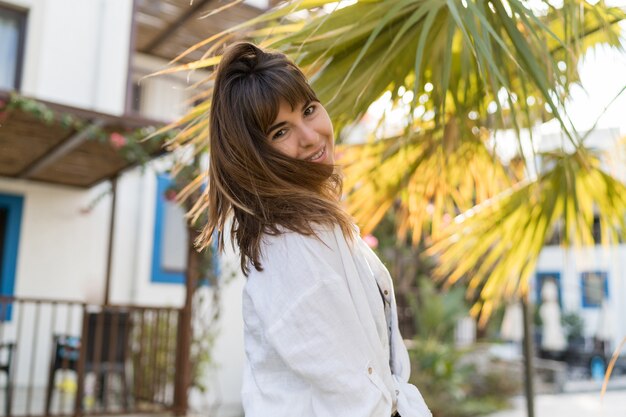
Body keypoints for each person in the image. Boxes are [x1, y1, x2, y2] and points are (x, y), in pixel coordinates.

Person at [200, 41, 431, 417]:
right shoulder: (293, 243)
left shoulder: (318, 226)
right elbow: (356, 396)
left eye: (309, 110)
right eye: (280, 132)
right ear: (253, 155)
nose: (310, 136)